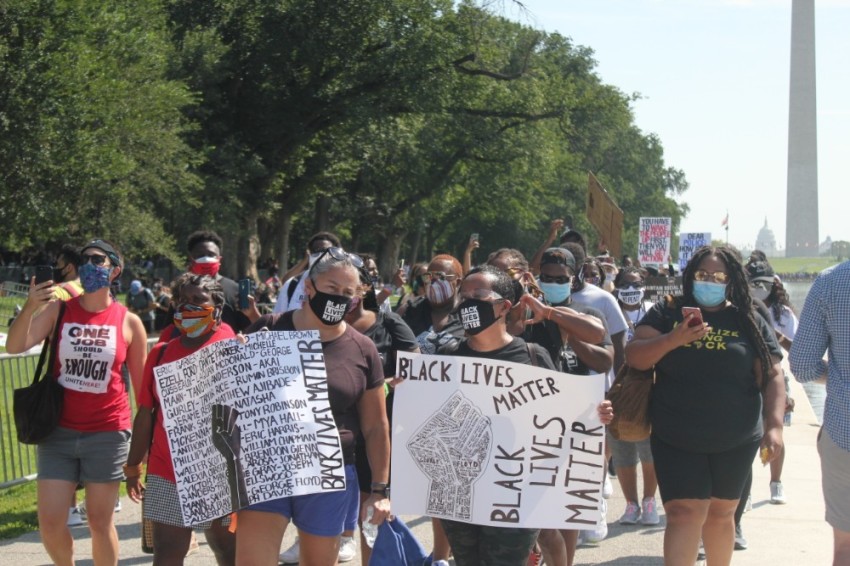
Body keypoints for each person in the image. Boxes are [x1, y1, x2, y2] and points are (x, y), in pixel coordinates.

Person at [435, 265, 614, 565]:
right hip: (462, 494)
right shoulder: (447, 359)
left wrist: (594, 414)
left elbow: (562, 415)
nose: (467, 301)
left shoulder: (531, 356)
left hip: (516, 491)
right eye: (463, 295)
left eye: (478, 295)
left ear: (504, 306)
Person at [625, 245, 785, 566]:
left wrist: (775, 427)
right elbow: (635, 357)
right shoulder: (668, 311)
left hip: (736, 439)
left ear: (731, 280)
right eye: (702, 274)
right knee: (684, 514)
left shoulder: (748, 317)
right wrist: (674, 339)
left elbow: (773, 375)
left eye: (717, 276)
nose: (709, 280)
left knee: (721, 515)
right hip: (676, 436)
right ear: (690, 275)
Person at [238, 247, 391, 566]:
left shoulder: (363, 350)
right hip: (270, 464)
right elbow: (229, 402)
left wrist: (379, 489)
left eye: (348, 293)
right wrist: (234, 360)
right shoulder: (270, 329)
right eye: (331, 289)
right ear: (308, 288)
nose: (339, 298)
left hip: (329, 471)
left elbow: (375, 426)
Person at [6, 239, 147, 566]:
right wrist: (30, 306)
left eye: (98, 260)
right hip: (58, 433)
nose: (89, 265)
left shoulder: (129, 322)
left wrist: (139, 455)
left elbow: (143, 395)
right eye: (84, 259)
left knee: (99, 522)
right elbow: (15, 345)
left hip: (108, 434)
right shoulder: (60, 310)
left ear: (115, 270)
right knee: (51, 523)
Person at [124, 274, 236, 565]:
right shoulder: (161, 354)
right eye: (182, 301)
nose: (189, 308)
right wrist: (133, 466)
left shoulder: (235, 346)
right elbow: (146, 414)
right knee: (167, 554)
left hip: (220, 471)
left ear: (217, 306)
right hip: (166, 470)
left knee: (227, 550)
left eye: (198, 301)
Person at [517, 249, 613, 566]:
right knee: (536, 515)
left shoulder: (588, 315)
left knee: (566, 508)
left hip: (577, 421)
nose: (554, 283)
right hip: (530, 421)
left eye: (561, 279)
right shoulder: (526, 313)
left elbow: (604, 360)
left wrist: (565, 330)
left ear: (573, 279)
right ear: (537, 276)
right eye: (547, 277)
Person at [400, 253, 466, 565]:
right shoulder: (410, 310)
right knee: (419, 487)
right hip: (409, 411)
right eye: (431, 277)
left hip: (454, 414)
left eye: (444, 277)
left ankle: (441, 556)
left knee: (444, 487)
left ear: (459, 282)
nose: (435, 283)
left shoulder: (469, 315)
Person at [789, 259, 850, 565]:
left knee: (845, 549)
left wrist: (838, 374)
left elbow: (801, 365)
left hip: (844, 432)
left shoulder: (831, 282)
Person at [608, 266, 660, 528]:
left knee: (650, 450)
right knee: (622, 449)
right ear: (616, 286)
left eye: (636, 284)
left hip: (648, 390)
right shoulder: (610, 310)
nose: (631, 291)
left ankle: (650, 501)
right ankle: (631, 504)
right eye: (625, 285)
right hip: (615, 390)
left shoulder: (655, 310)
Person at [186, 230, 251, 333]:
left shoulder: (235, 289)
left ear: (219, 258)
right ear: (191, 258)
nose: (206, 259)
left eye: (211, 255)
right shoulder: (182, 290)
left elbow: (247, 328)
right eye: (200, 255)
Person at [273, 231, 341, 314]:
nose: (321, 254)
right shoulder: (292, 284)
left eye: (326, 251)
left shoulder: (345, 285)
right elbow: (278, 318)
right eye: (315, 250)